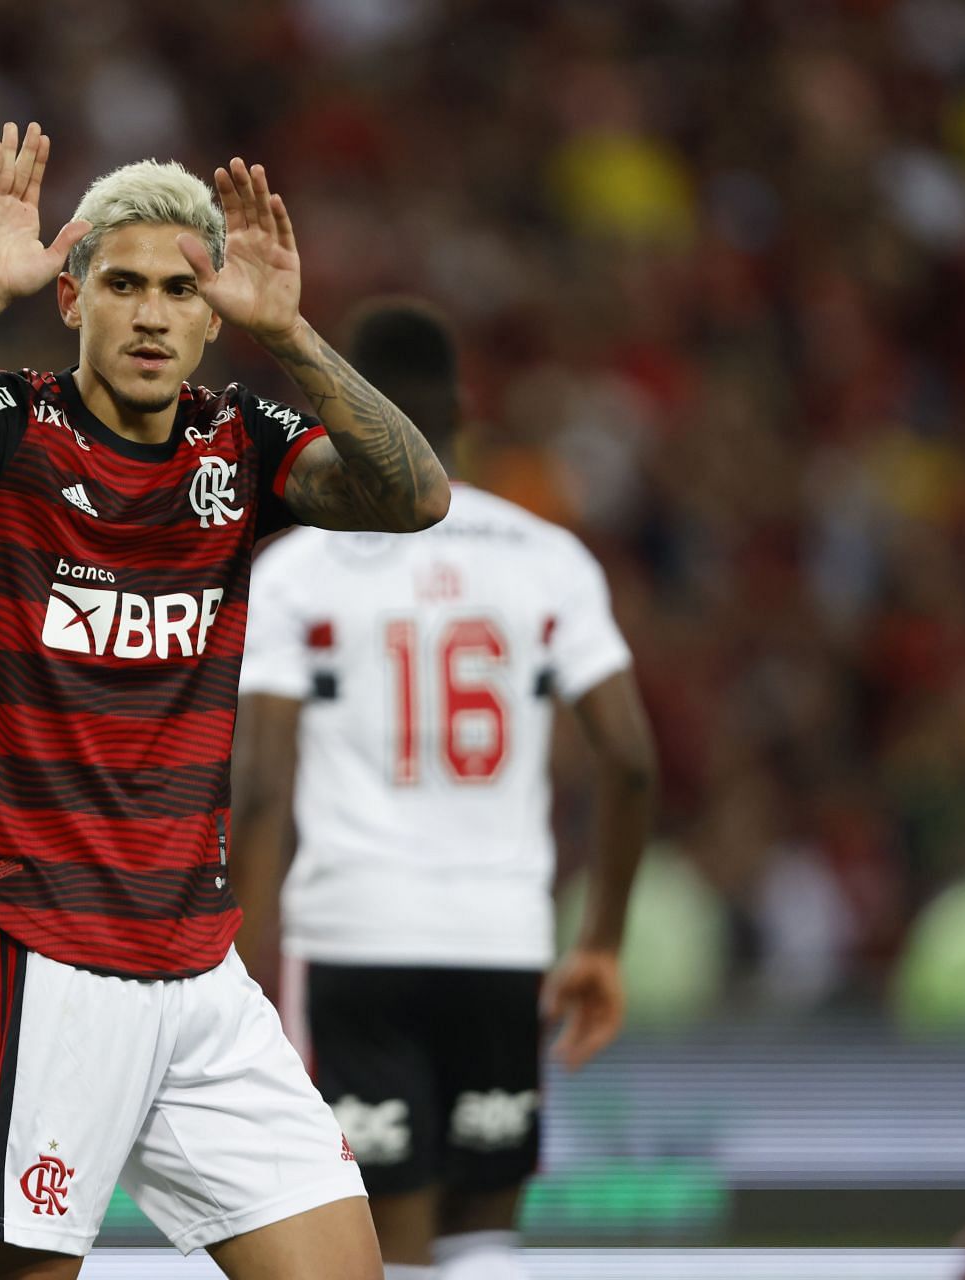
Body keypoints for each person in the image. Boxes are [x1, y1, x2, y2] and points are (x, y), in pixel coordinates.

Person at [0, 122, 450, 1279]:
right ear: (72, 295)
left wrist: (292, 332)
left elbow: (416, 497)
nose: (152, 314)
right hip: (37, 947)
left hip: (199, 964)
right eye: (123, 284)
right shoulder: (4, 428)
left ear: (213, 318)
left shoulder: (240, 443)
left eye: (180, 290)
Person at [230, 301, 658, 1280]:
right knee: (483, 1240)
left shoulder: (300, 569)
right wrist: (600, 942)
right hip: (503, 939)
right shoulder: (548, 556)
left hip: (354, 939)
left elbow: (261, 787)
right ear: (463, 411)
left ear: (343, 416)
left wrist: (245, 973)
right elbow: (630, 758)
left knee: (385, 1243)